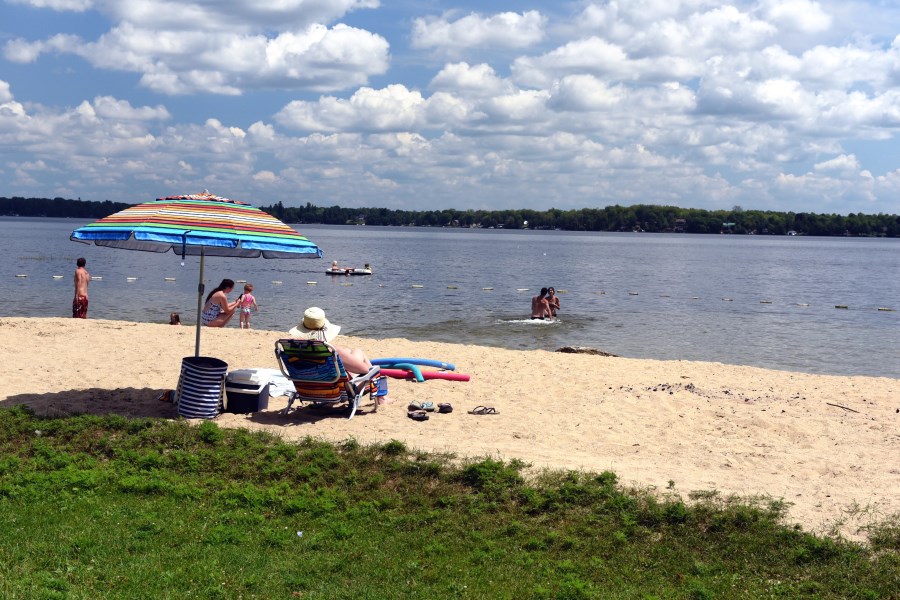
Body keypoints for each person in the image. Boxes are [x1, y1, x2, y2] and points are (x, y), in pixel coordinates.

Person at [288, 307, 372, 375]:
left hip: (306, 388)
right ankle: (379, 391)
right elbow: (365, 370)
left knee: (348, 352)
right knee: (358, 352)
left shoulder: (292, 349)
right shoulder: (332, 351)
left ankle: (380, 393)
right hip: (334, 391)